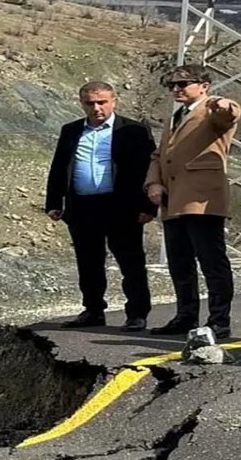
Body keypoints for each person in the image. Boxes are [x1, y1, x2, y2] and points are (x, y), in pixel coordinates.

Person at [46, 81, 158, 331]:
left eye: (102, 102)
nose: (96, 108)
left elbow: (148, 169)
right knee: (88, 262)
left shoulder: (134, 130)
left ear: (114, 101)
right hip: (82, 206)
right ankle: (93, 309)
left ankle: (137, 313)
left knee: (131, 262)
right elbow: (59, 167)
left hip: (122, 207)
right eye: (90, 103)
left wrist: (148, 207)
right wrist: (54, 202)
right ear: (82, 103)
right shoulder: (71, 130)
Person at [143, 65, 241, 339]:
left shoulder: (211, 110)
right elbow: (159, 154)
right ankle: (186, 315)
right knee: (180, 262)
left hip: (202, 200)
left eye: (184, 84)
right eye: (172, 85)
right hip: (173, 201)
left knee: (212, 262)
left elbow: (230, 114)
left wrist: (222, 103)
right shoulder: (175, 115)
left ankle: (219, 320)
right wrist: (153, 182)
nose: (177, 89)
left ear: (203, 86)